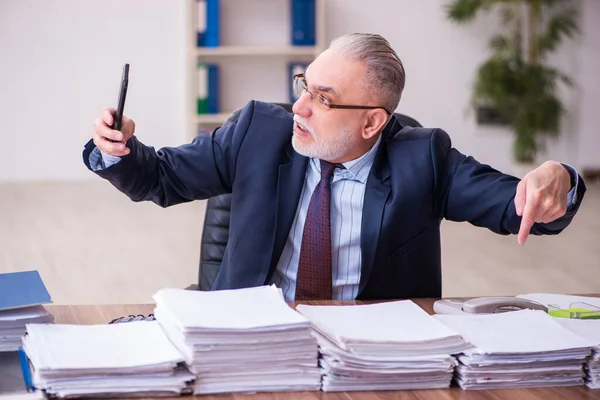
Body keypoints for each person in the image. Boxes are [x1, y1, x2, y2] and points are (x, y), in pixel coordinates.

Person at [83, 33, 585, 301]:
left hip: (372, 358)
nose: (298, 108)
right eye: (305, 85)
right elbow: (161, 177)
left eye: (323, 99)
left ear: (372, 122)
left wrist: (558, 179)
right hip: (257, 338)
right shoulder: (259, 130)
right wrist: (117, 146)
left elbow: (525, 207)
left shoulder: (422, 158)